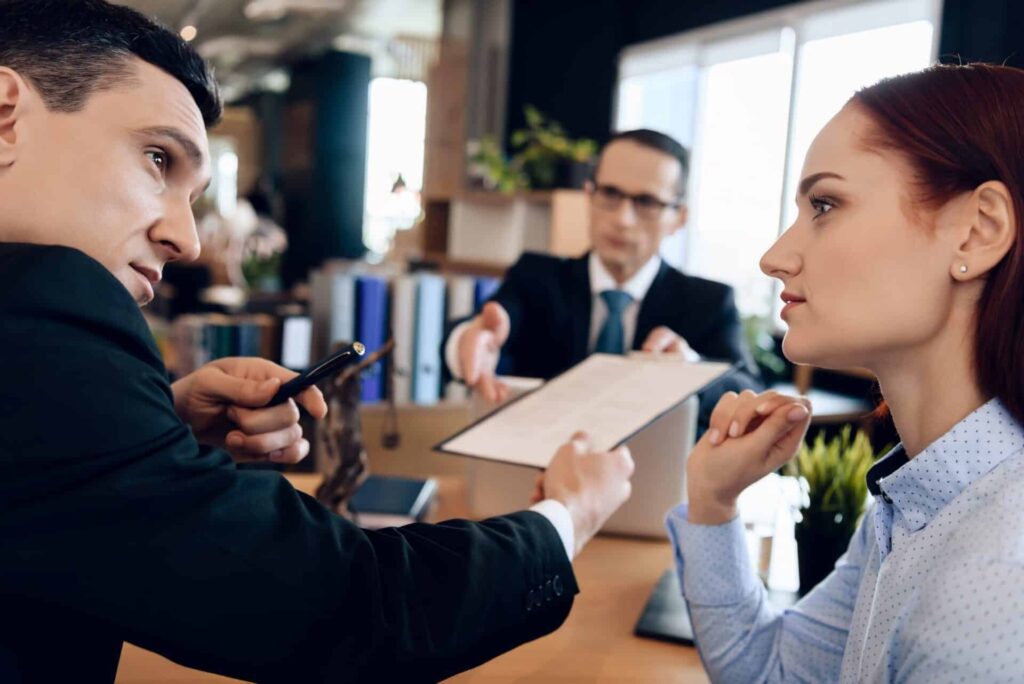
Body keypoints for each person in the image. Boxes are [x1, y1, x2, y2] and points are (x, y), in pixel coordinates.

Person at [0, 2, 635, 682]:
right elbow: (349, 602)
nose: (186, 240)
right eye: (158, 158)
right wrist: (567, 516)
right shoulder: (45, 302)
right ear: (7, 112)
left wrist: (158, 427)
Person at [669, 63, 1024, 682]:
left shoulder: (989, 599)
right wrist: (712, 502)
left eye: (825, 204)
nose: (775, 257)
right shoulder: (922, 502)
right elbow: (773, 674)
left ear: (977, 232)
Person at [444, 129, 762, 427]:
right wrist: (467, 342)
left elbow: (750, 393)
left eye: (646, 202)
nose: (622, 219)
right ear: (589, 195)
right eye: (610, 193)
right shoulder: (536, 278)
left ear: (679, 218)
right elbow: (480, 329)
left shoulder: (707, 302)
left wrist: (691, 370)